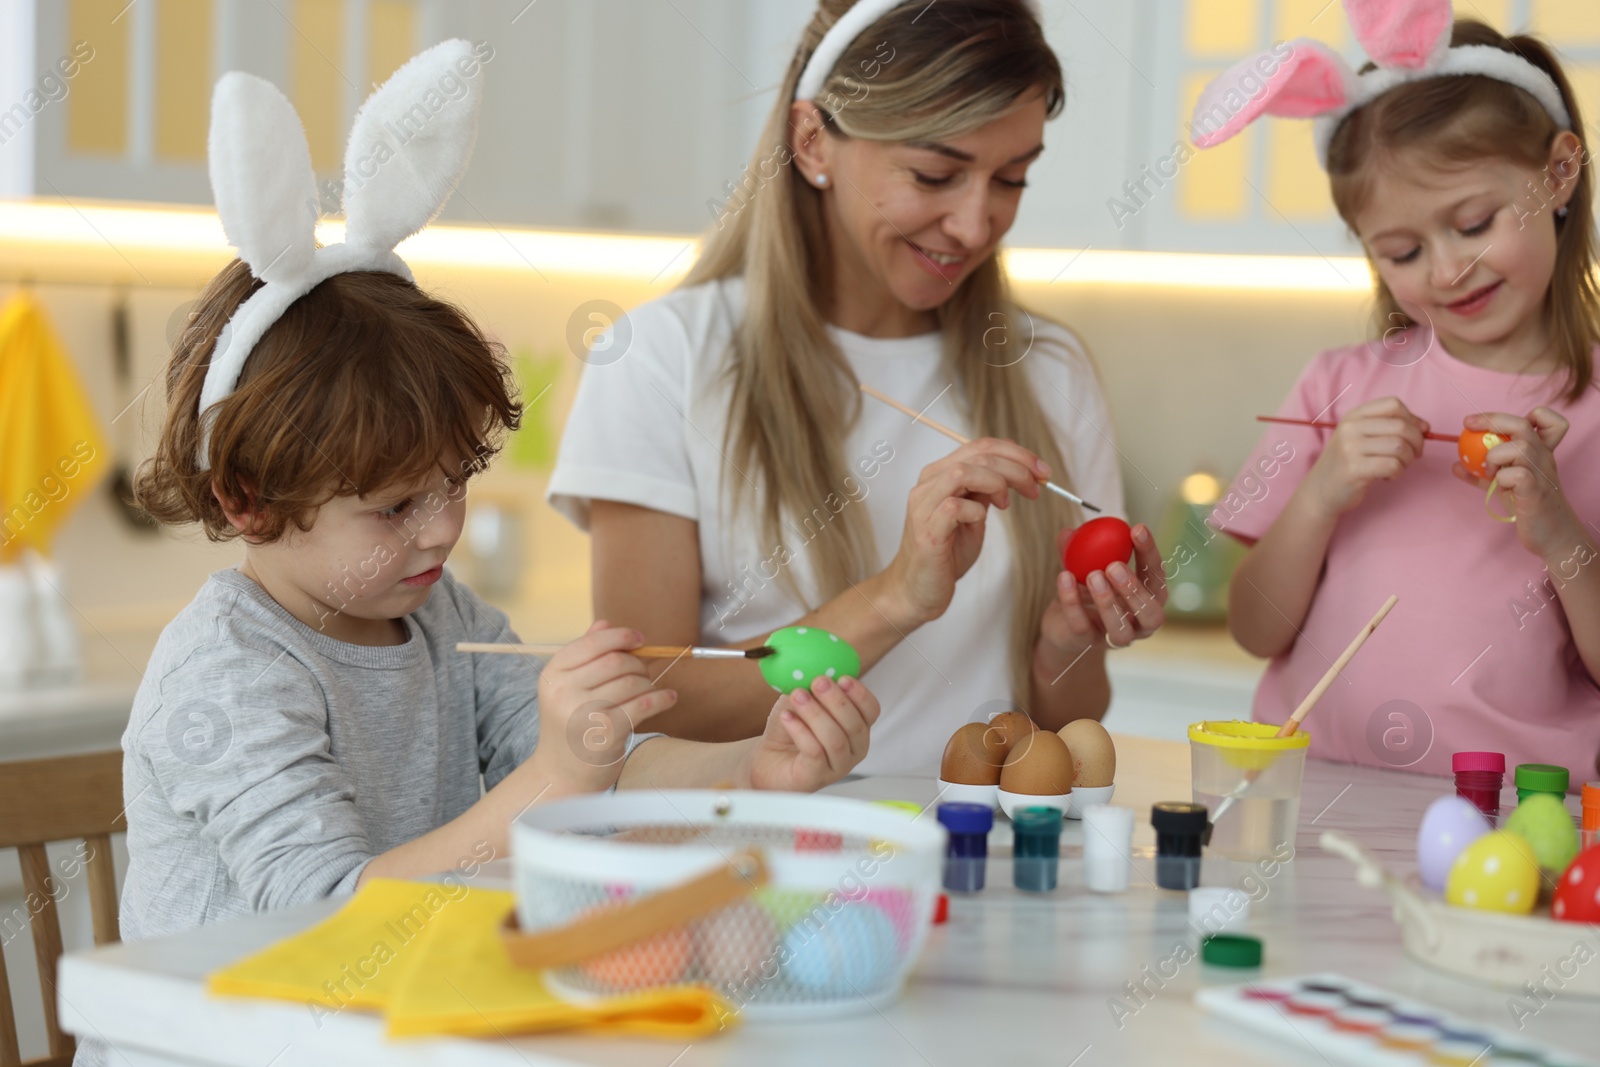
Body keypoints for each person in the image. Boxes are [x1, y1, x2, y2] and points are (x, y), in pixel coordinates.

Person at [113, 43, 881, 966]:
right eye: (395, 506)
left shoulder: (439, 616)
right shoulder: (227, 671)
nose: (443, 528)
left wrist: (756, 767)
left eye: (454, 485)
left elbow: (610, 772)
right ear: (248, 500)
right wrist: (556, 774)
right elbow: (327, 920)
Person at [548, 0, 1167, 774]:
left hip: (972, 865)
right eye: (935, 174)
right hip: (756, 859)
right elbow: (647, 695)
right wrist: (897, 597)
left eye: (1011, 178)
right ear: (813, 142)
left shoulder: (1049, 371)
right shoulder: (661, 359)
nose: (976, 224)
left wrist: (1065, 645)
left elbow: (1068, 719)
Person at [1197, 4, 1600, 783]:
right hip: (1315, 789)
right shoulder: (1334, 384)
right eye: (1405, 251)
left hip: (1520, 811)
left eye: (1475, 223)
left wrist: (1559, 531)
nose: (1448, 271)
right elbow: (1252, 628)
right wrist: (1320, 495)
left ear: (1558, 172)